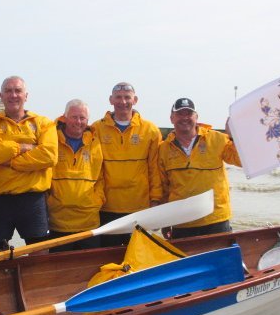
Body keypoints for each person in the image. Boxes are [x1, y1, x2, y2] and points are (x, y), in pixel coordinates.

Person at [0, 76, 58, 253]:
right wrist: (25, 147)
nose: (13, 95)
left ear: (26, 96)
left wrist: (7, 161)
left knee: (40, 256)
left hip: (33, 200)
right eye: (8, 91)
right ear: (1, 95)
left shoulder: (43, 123)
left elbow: (49, 156)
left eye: (18, 91)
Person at [154, 98, 242, 239]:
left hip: (216, 219)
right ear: (172, 118)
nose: (185, 118)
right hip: (181, 222)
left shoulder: (217, 139)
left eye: (189, 113)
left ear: (196, 117)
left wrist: (234, 136)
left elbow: (240, 161)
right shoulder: (163, 149)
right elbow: (164, 187)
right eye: (180, 114)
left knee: (220, 261)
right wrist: (166, 220)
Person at [92, 82, 162, 247]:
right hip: (107, 207)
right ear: (111, 100)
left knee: (138, 256)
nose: (123, 102)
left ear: (135, 100)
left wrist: (156, 200)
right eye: (118, 97)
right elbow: (93, 168)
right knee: (108, 257)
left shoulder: (150, 130)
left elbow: (155, 168)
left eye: (127, 97)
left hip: (139, 207)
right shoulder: (96, 128)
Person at [47, 99, 105, 252]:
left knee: (88, 269)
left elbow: (101, 177)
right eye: (74, 117)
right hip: (58, 221)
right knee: (59, 270)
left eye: (82, 118)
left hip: (89, 222)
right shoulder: (51, 140)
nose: (78, 121)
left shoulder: (95, 143)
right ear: (64, 117)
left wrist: (97, 200)